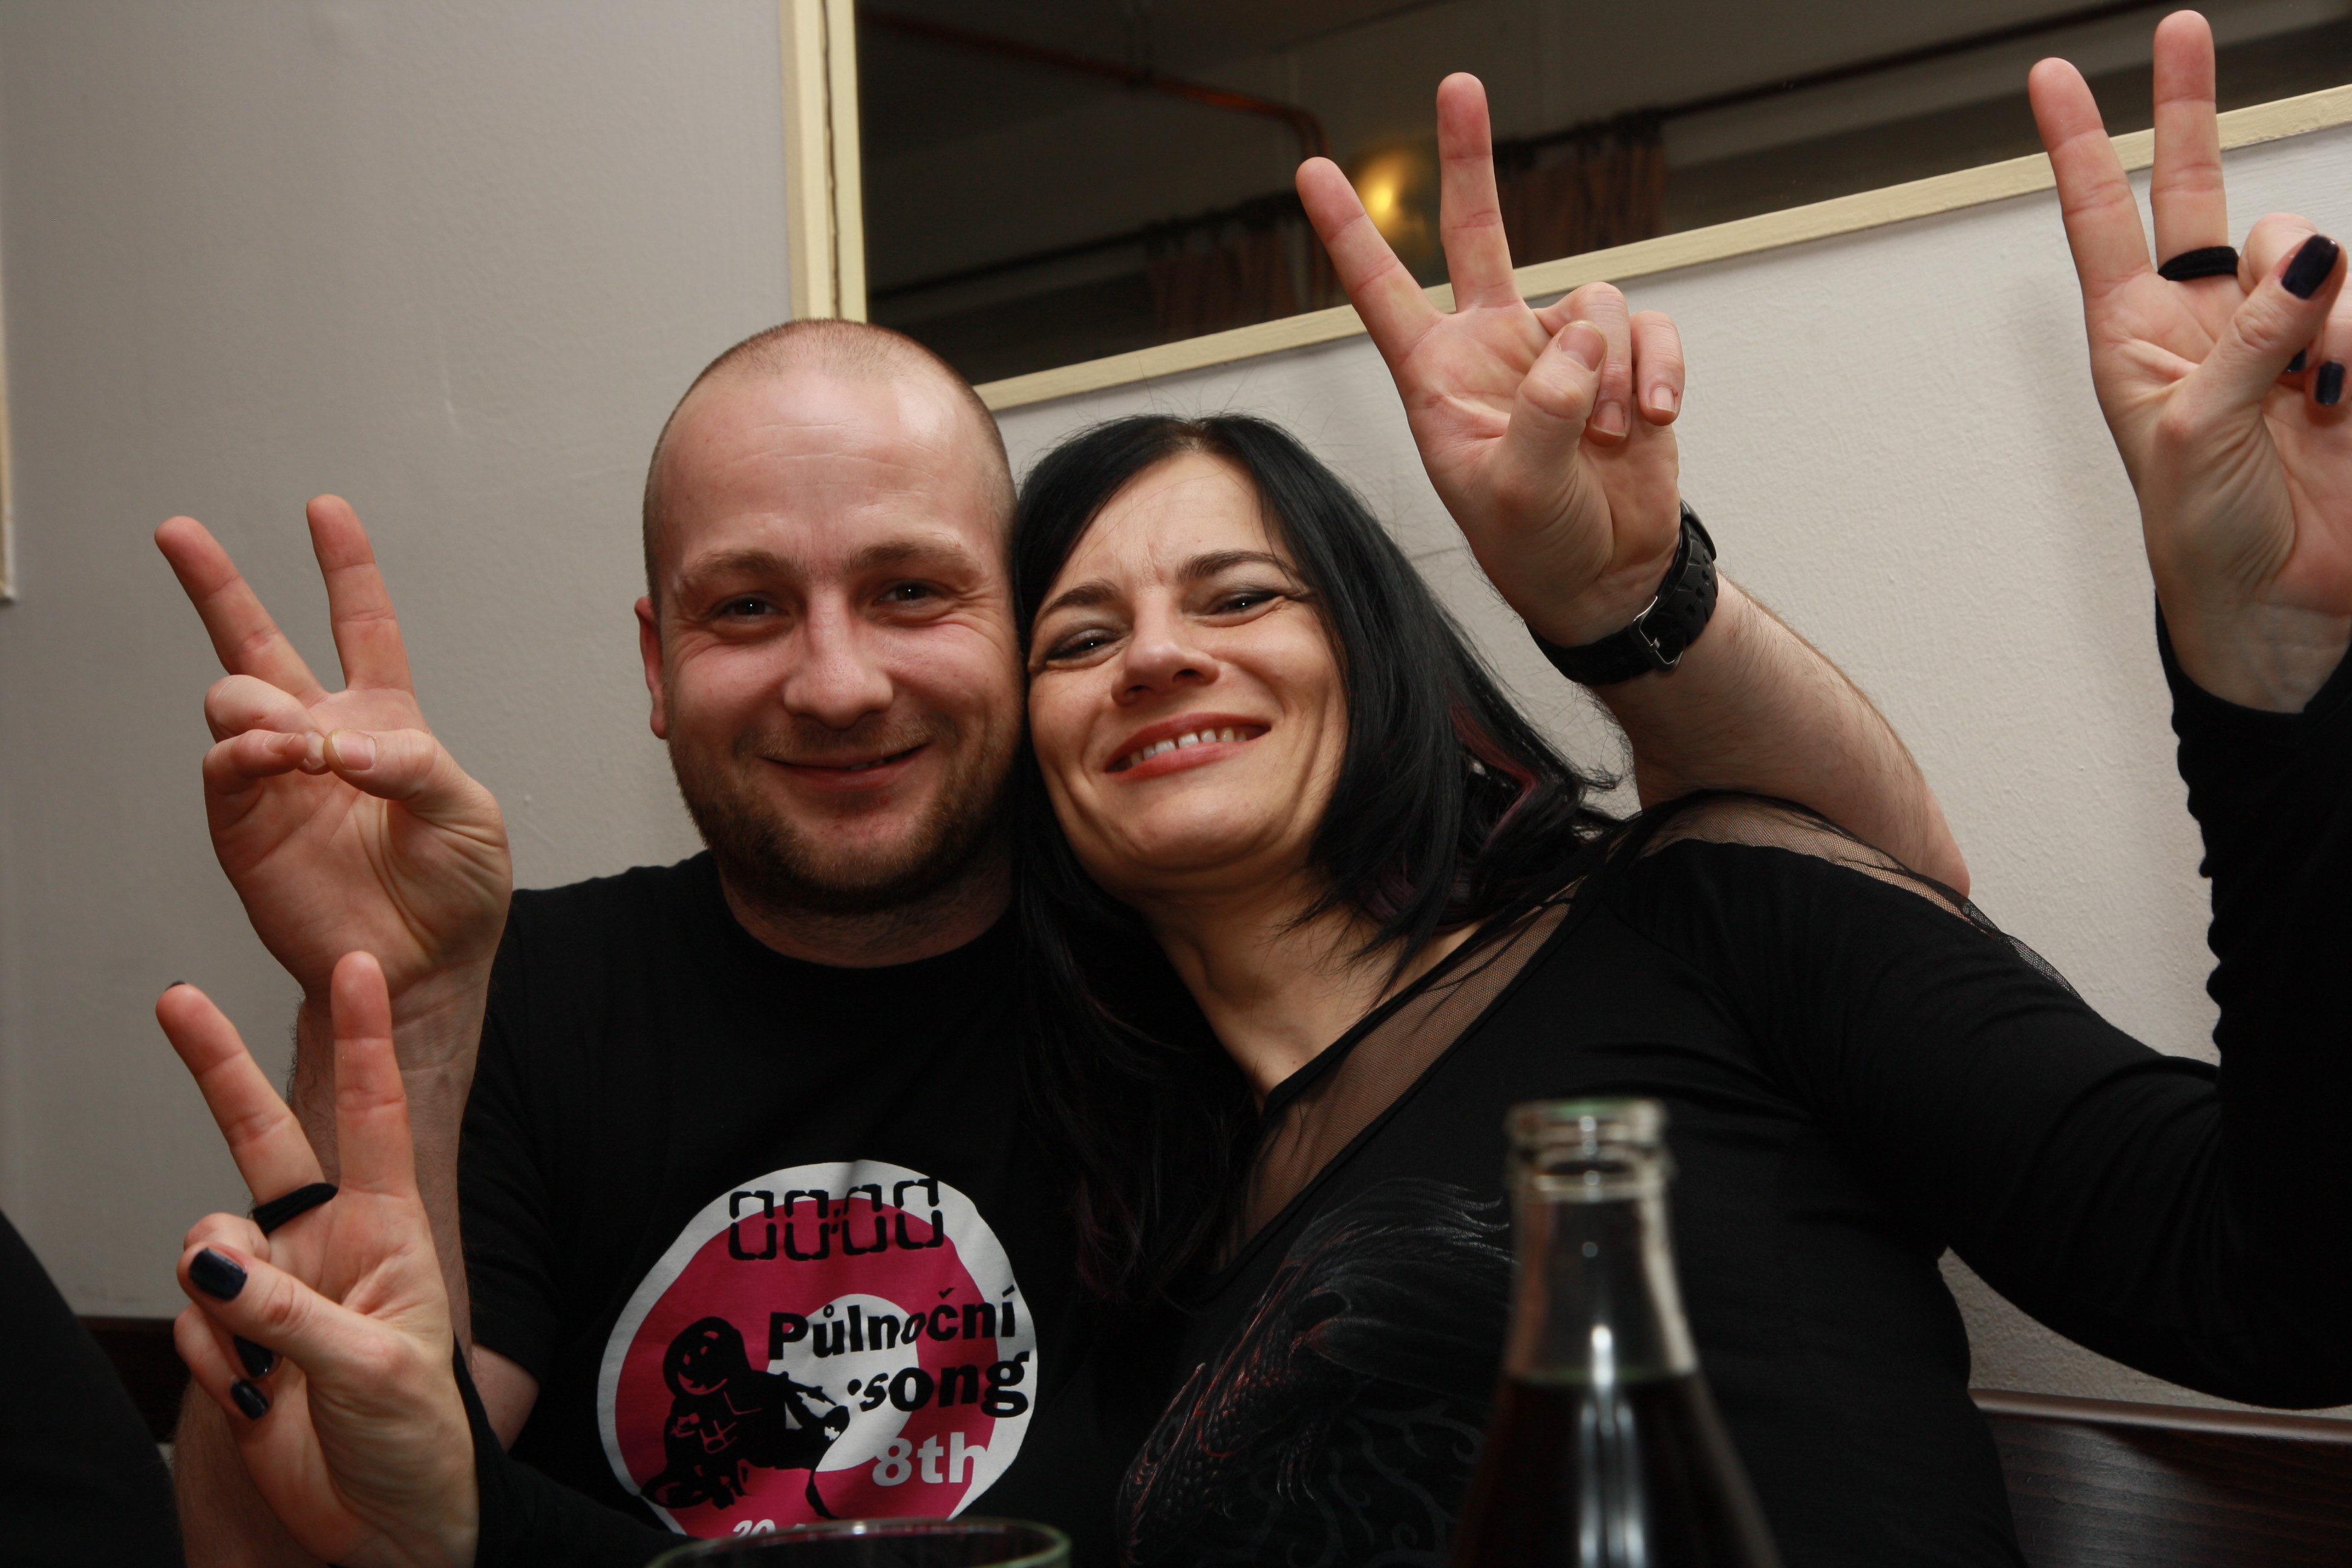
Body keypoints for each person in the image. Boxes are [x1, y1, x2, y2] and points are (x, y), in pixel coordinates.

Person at [153, 120, 1959, 1568]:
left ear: (1023, 633)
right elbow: (324, 1517)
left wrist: (1627, 596)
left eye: (911, 591)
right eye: (747, 608)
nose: (836, 682)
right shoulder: (531, 993)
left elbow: (1867, 909)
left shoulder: (1183, 959)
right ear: (654, 665)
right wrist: (393, 990)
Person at [1003, 14, 2352, 1566]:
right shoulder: (1150, 1245)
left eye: (1240, 597)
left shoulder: (1695, 914)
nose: (1157, 656)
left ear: (1373, 660)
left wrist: (2272, 684)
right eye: (1080, 637)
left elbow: (2287, 1289)